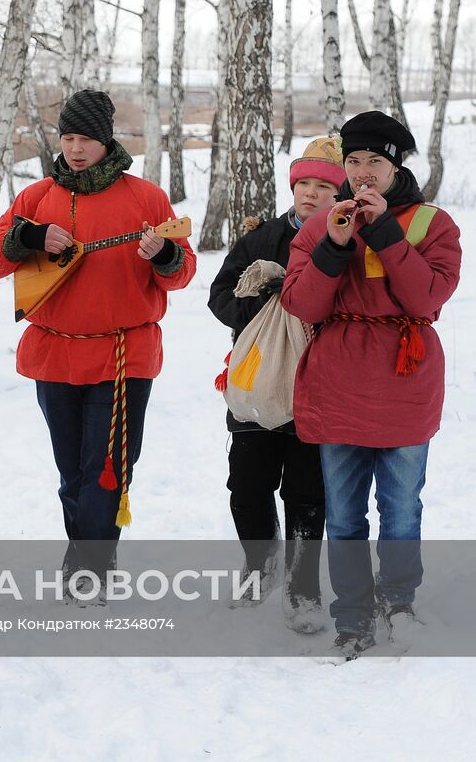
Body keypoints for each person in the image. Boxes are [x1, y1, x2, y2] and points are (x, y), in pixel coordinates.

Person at [0, 89, 196, 590]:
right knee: (72, 470)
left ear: (106, 141)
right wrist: (28, 238)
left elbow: (182, 273)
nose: (76, 149)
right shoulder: (36, 197)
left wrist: (162, 254)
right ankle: (88, 557)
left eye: (87, 139)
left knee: (109, 469)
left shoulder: (147, 199)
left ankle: (89, 570)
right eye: (69, 137)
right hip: (55, 353)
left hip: (124, 354)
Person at [281, 110, 461, 659]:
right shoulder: (319, 224)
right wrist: (334, 248)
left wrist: (383, 232)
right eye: (353, 161)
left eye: (374, 162)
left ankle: (399, 602)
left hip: (404, 380)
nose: (362, 173)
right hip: (339, 382)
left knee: (403, 506)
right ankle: (353, 616)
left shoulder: (433, 223)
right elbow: (301, 302)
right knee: (344, 512)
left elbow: (426, 298)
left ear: (395, 165)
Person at [207, 137, 344, 630]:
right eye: (304, 183)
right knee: (246, 487)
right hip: (256, 380)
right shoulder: (260, 238)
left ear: (339, 193)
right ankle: (259, 563)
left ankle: (303, 587)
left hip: (315, 385)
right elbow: (219, 295)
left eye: (325, 186)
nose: (312, 193)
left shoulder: (347, 239)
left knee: (308, 493)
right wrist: (262, 304)